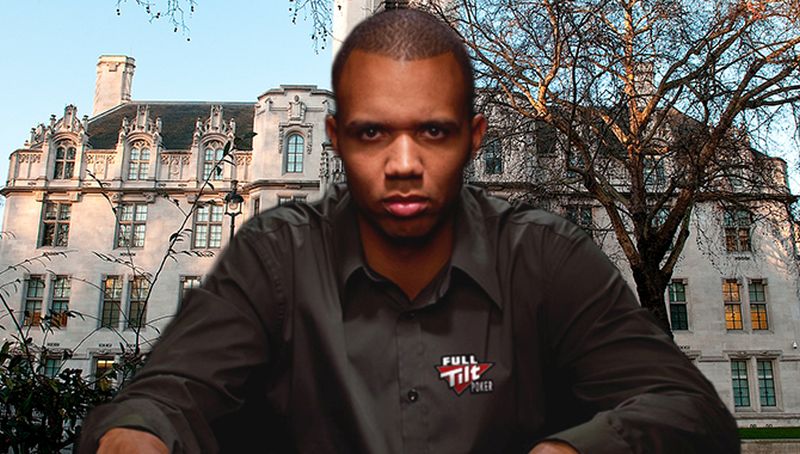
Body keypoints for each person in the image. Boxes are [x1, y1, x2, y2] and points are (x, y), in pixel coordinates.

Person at [79, 9, 739, 454]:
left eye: (433, 131)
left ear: (473, 139)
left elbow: (691, 409)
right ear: (336, 139)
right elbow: (177, 388)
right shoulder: (276, 256)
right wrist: (141, 431)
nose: (403, 164)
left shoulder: (545, 256)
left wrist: (575, 448)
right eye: (372, 132)